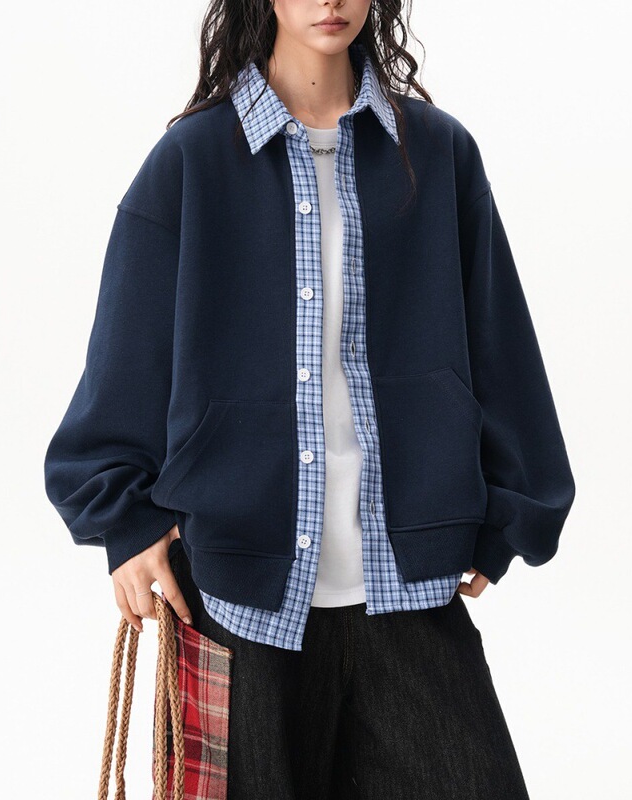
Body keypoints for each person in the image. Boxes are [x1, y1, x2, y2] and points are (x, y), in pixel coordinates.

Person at [44, 1, 575, 797]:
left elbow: (501, 347)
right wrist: (125, 527)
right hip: (237, 601)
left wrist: (512, 512)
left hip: (409, 589)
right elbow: (125, 365)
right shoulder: (191, 161)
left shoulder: (438, 153)